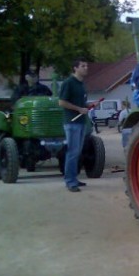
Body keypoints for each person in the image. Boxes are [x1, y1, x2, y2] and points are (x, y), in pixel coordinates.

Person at [58, 59, 90, 192]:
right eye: (83, 66)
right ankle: (70, 181)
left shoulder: (81, 84)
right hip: (72, 123)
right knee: (72, 152)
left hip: (81, 122)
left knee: (77, 152)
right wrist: (79, 109)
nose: (86, 68)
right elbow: (62, 102)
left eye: (86, 66)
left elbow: (82, 103)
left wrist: (87, 107)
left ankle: (74, 178)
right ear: (75, 68)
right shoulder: (68, 83)